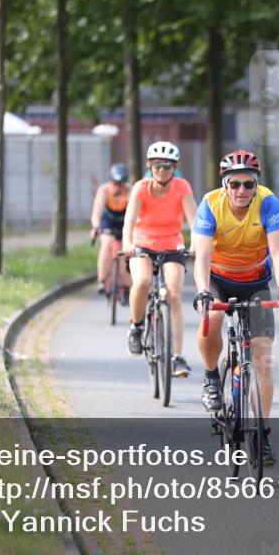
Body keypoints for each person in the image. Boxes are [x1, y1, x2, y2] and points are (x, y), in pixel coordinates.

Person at [192, 149, 279, 466]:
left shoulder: (268, 203)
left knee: (262, 357)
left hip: (256, 282)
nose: (241, 191)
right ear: (224, 184)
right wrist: (202, 291)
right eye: (234, 184)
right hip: (219, 278)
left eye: (248, 184)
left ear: (256, 184)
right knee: (212, 315)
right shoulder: (210, 204)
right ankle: (211, 377)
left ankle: (262, 434)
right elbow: (202, 258)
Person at [121, 141, 197, 378]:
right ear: (149, 166)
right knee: (142, 282)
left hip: (172, 243)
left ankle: (177, 355)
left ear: (174, 167)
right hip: (142, 243)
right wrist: (127, 244)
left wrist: (194, 245)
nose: (162, 170)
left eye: (167, 166)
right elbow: (129, 221)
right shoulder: (141, 188)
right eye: (157, 166)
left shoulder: (182, 187)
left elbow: (194, 222)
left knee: (174, 293)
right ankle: (136, 327)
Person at [90, 163, 132, 300]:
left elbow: (135, 213)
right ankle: (101, 280)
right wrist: (96, 227)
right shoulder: (104, 190)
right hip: (108, 221)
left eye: (121, 184)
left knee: (123, 252)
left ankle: (126, 286)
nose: (118, 187)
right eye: (115, 183)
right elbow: (96, 212)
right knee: (106, 244)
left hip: (124, 222)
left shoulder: (131, 191)